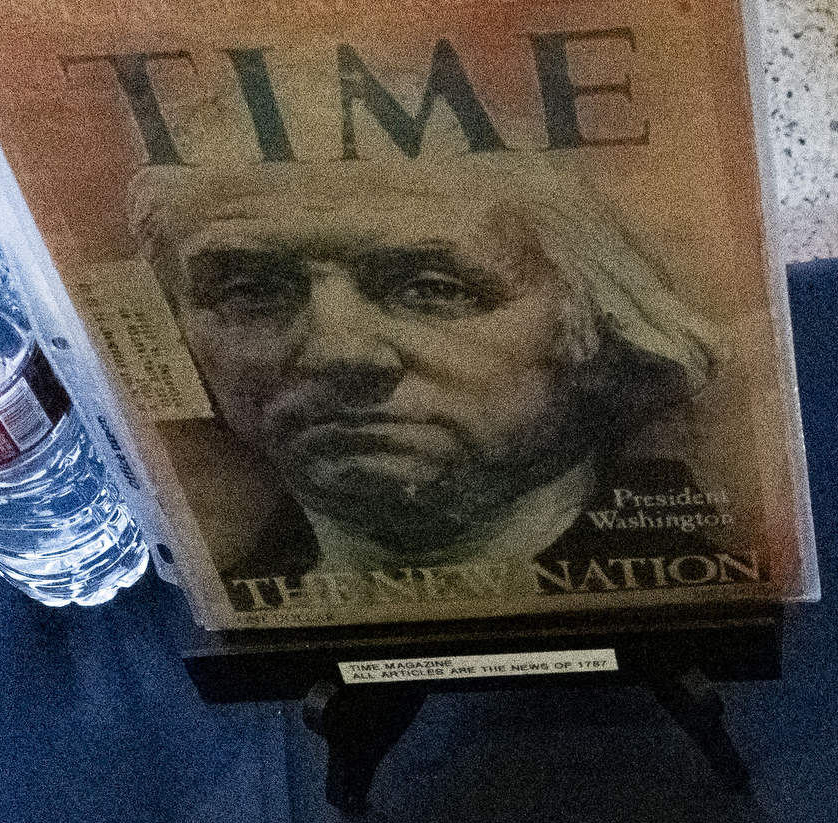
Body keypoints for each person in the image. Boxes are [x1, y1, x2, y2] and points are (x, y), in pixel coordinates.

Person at [130, 157, 733, 587]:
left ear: (589, 322)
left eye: (432, 290)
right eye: (250, 291)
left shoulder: (713, 560)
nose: (336, 353)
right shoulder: (235, 580)